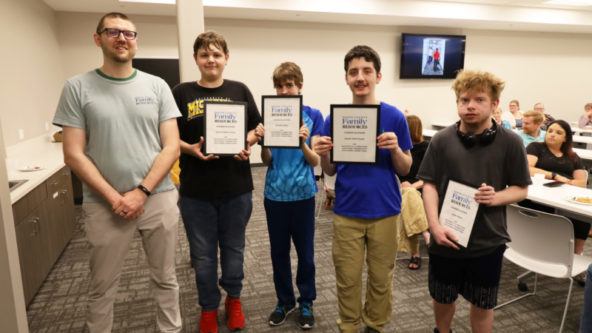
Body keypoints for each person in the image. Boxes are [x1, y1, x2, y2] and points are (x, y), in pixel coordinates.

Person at [52, 12, 182, 333]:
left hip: (158, 197)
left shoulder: (157, 86)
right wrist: (114, 197)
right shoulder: (77, 87)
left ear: (136, 41)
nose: (122, 38)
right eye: (113, 31)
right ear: (98, 39)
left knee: (166, 280)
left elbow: (171, 147)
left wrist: (141, 192)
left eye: (129, 33)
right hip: (104, 204)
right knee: (101, 287)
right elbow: (73, 152)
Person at [417, 69, 530, 333]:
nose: (470, 106)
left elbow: (521, 189)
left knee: (483, 303)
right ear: (457, 102)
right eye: (464, 99)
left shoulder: (511, 142)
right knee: (442, 297)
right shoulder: (442, 140)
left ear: (494, 104)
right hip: (446, 237)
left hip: (488, 240)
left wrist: (496, 197)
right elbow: (430, 186)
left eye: (479, 99)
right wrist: (433, 226)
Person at [313, 45, 413, 333]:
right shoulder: (335, 119)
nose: (360, 77)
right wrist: (322, 153)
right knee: (347, 278)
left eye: (367, 71)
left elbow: (405, 168)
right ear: (346, 78)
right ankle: (349, 326)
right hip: (347, 210)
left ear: (378, 76)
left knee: (381, 279)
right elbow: (331, 170)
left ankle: (375, 326)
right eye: (353, 72)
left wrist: (395, 149)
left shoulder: (395, 117)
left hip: (385, 211)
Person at [172, 31, 263, 333]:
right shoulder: (181, 92)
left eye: (216, 54)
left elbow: (257, 127)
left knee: (234, 250)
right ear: (196, 59)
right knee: (203, 255)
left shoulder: (240, 89)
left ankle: (233, 301)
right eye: (204, 54)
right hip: (196, 192)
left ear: (226, 58)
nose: (211, 59)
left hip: (236, 189)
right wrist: (190, 149)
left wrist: (245, 142)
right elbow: (168, 136)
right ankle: (209, 307)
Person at [261, 62, 323, 329]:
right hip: (275, 195)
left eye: (289, 85)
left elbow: (315, 161)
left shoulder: (314, 116)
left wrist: (302, 143)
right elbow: (267, 160)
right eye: (280, 86)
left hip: (303, 195)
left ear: (300, 86)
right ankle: (285, 301)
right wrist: (263, 144)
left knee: (306, 254)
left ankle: (306, 300)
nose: (285, 90)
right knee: (278, 253)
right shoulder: (270, 114)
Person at [524, 120, 590, 270]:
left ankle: (576, 255)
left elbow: (581, 182)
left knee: (582, 217)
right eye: (550, 131)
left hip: (564, 194)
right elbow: (528, 168)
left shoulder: (572, 156)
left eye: (558, 132)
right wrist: (553, 175)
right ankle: (546, 251)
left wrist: (567, 182)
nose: (552, 134)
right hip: (540, 195)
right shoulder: (536, 147)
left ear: (565, 138)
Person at [398, 115, 430, 270]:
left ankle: (415, 254)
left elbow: (431, 176)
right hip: (402, 190)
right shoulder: (401, 149)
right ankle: (426, 233)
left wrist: (413, 186)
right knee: (408, 196)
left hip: (423, 188)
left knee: (409, 197)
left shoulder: (427, 147)